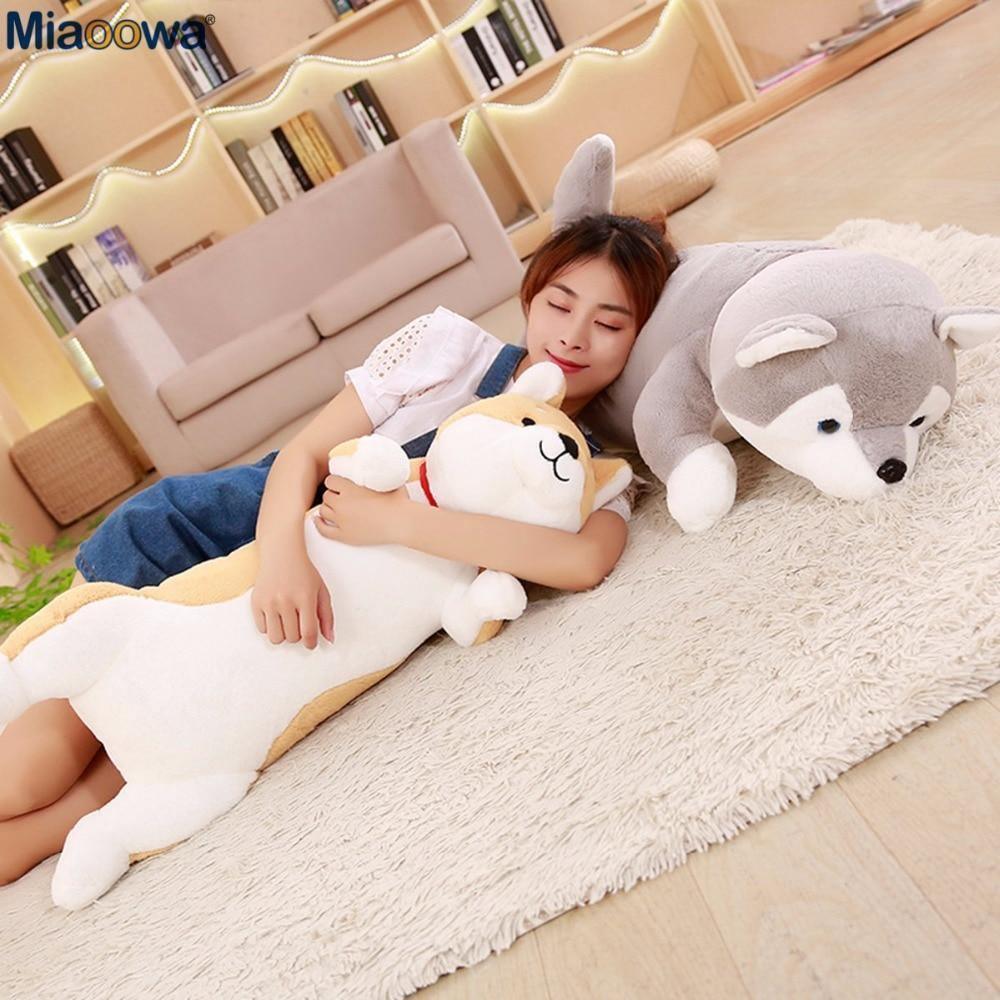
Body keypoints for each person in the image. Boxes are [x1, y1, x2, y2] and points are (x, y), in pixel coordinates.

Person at [0, 211, 681, 885]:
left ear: (640, 336)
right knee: (32, 772)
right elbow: (303, 454)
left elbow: (583, 563)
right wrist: (282, 562)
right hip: (209, 539)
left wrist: (397, 522)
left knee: (102, 792)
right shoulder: (449, 348)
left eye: (609, 323)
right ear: (531, 296)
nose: (572, 335)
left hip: (268, 653)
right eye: (560, 303)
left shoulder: (588, 475)